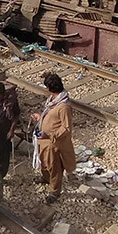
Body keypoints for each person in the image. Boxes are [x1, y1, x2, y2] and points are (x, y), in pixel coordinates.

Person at [30, 73, 75, 204]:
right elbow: (51, 118)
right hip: (43, 140)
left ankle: (54, 191)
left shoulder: (64, 107)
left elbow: (66, 128)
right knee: (44, 162)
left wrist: (50, 135)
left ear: (49, 88)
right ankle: (45, 178)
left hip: (53, 143)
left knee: (54, 167)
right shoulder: (52, 101)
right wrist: (40, 118)